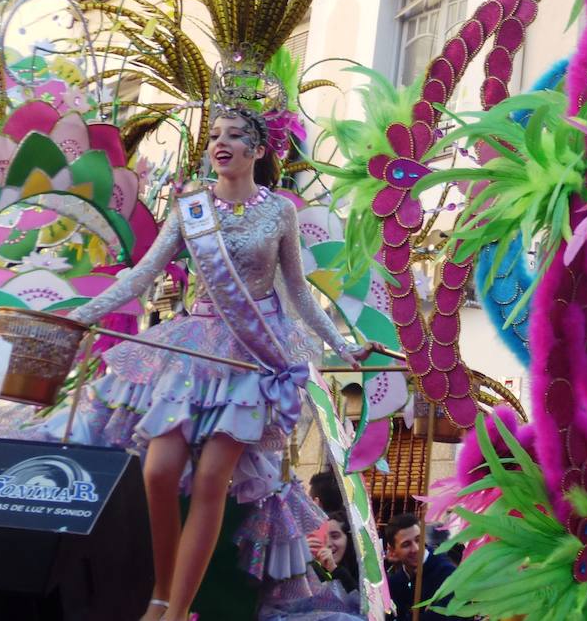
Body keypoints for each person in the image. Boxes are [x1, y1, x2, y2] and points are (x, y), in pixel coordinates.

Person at [68, 107, 372, 621]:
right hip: (194, 348)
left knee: (212, 480)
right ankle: (161, 594)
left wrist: (344, 346)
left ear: (258, 150)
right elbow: (143, 274)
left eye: (234, 136)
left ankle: (178, 609)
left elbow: (297, 289)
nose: (219, 144)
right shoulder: (190, 207)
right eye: (213, 136)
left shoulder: (279, 212)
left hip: (251, 358)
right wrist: (81, 315)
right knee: (159, 471)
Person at [385, 512, 460, 621]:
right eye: (406, 544)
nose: (415, 549)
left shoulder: (447, 574)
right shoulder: (394, 583)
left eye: (418, 540)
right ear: (393, 551)